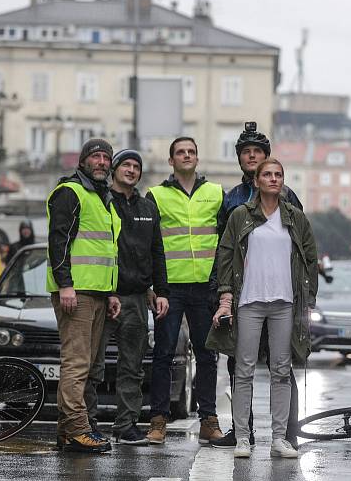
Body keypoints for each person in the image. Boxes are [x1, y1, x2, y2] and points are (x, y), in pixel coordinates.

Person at [208, 158, 318, 459]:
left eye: (278, 174)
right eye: (267, 174)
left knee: (281, 371)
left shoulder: (295, 217)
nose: (273, 179)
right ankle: (242, 438)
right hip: (249, 302)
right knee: (243, 371)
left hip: (284, 303)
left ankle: (280, 439)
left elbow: (310, 258)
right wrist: (225, 297)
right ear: (256, 181)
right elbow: (226, 256)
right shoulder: (240, 215)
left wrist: (308, 299)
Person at [84, 149, 170, 445]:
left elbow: (156, 251)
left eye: (136, 166)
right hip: (104, 296)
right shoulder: (101, 201)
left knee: (132, 367)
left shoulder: (148, 206)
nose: (131, 170)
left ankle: (126, 426)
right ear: (115, 169)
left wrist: (160, 291)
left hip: (136, 299)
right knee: (93, 365)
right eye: (126, 165)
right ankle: (87, 423)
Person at [146, 137, 226, 445]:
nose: (187, 155)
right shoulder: (155, 195)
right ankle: (158, 421)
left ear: (198, 158)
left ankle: (208, 419)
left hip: (206, 287)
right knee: (164, 354)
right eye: (181, 152)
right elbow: (152, 246)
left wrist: (221, 286)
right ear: (171, 161)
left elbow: (225, 243)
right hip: (171, 289)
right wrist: (156, 287)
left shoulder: (216, 193)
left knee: (207, 355)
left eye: (192, 151)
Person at [46, 138, 121, 453]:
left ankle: (67, 431)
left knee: (87, 364)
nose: (102, 162)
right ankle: (78, 429)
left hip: (98, 292)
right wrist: (65, 285)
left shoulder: (102, 197)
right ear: (83, 161)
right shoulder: (71, 192)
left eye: (106, 157)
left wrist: (112, 292)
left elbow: (106, 250)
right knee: (76, 363)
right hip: (76, 292)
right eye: (96, 157)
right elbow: (58, 241)